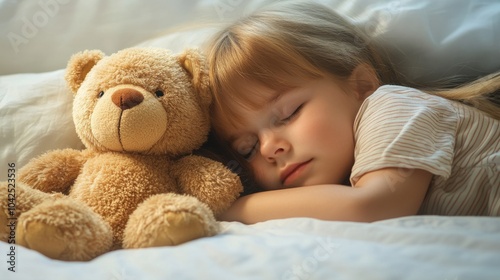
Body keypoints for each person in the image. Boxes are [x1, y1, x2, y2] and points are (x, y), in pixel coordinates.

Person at [205, 2, 500, 224]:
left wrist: (224, 209)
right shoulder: (343, 177)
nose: (269, 148)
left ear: (361, 85)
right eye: (248, 149)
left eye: (288, 113)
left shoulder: (393, 105)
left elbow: (374, 206)